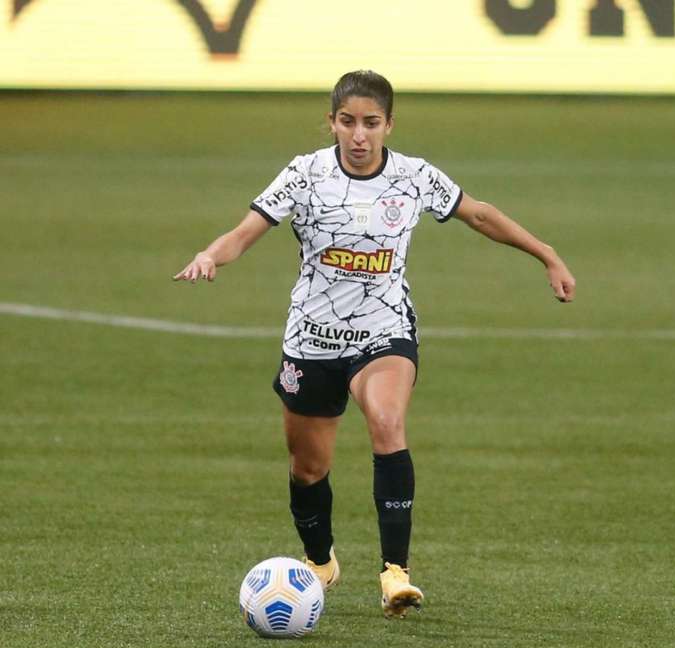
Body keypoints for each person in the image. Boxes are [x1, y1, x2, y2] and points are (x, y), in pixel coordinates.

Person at [174, 70, 576, 619]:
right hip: (311, 339)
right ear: (331, 123)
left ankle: (395, 573)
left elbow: (479, 214)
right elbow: (245, 231)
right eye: (347, 122)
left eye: (370, 123)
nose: (358, 135)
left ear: (389, 125)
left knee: (387, 422)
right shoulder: (305, 174)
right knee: (307, 466)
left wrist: (546, 253)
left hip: (383, 331)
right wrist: (208, 256)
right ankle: (320, 561)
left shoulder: (414, 178)